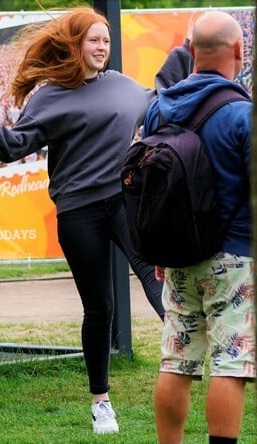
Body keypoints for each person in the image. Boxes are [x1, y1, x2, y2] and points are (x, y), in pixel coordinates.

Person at [0, 7, 193, 435]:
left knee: (156, 277)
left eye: (106, 41)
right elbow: (12, 145)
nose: (102, 48)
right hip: (78, 212)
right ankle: (100, 402)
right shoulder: (49, 96)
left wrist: (188, 50)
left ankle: (184, 358)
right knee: (99, 306)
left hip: (122, 201)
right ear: (75, 44)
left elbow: (162, 98)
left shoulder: (121, 87)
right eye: (94, 40)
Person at [146, 11, 254, 444]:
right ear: (239, 51)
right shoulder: (244, 115)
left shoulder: (158, 110)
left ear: (190, 52)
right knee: (231, 364)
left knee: (177, 360)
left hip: (177, 257)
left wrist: (161, 248)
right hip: (235, 259)